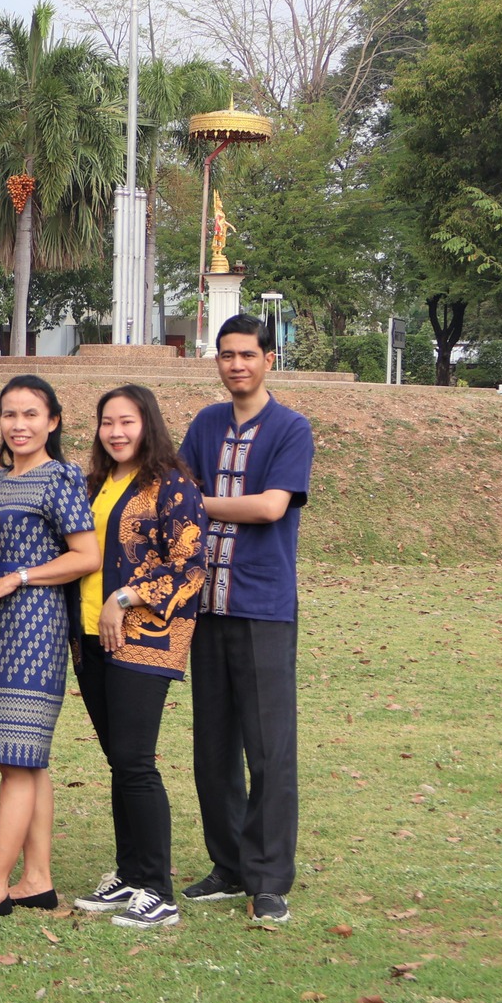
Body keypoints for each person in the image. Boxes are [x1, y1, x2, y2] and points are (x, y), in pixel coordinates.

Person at [0, 376, 99, 920]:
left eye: (31, 414)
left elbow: (86, 556)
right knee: (24, 762)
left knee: (17, 759)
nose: (19, 425)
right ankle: (37, 880)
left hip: (36, 624)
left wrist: (20, 577)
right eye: (10, 414)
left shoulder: (61, 478)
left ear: (52, 421)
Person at [178, 313, 315, 924]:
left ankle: (269, 878)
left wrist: (200, 504)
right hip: (205, 606)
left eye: (248, 355)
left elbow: (270, 507)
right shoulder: (206, 424)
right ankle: (229, 865)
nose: (237, 364)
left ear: (268, 359)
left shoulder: (291, 428)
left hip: (262, 605)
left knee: (268, 749)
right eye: (227, 355)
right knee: (213, 747)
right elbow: (173, 491)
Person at [68, 384, 208, 929]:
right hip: (90, 636)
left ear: (148, 424)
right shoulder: (98, 483)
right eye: (107, 422)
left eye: (127, 421)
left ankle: (158, 889)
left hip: (144, 637)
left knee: (135, 760)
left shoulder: (172, 484)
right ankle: (130, 874)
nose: (116, 432)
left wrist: (126, 597)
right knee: (119, 761)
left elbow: (189, 566)